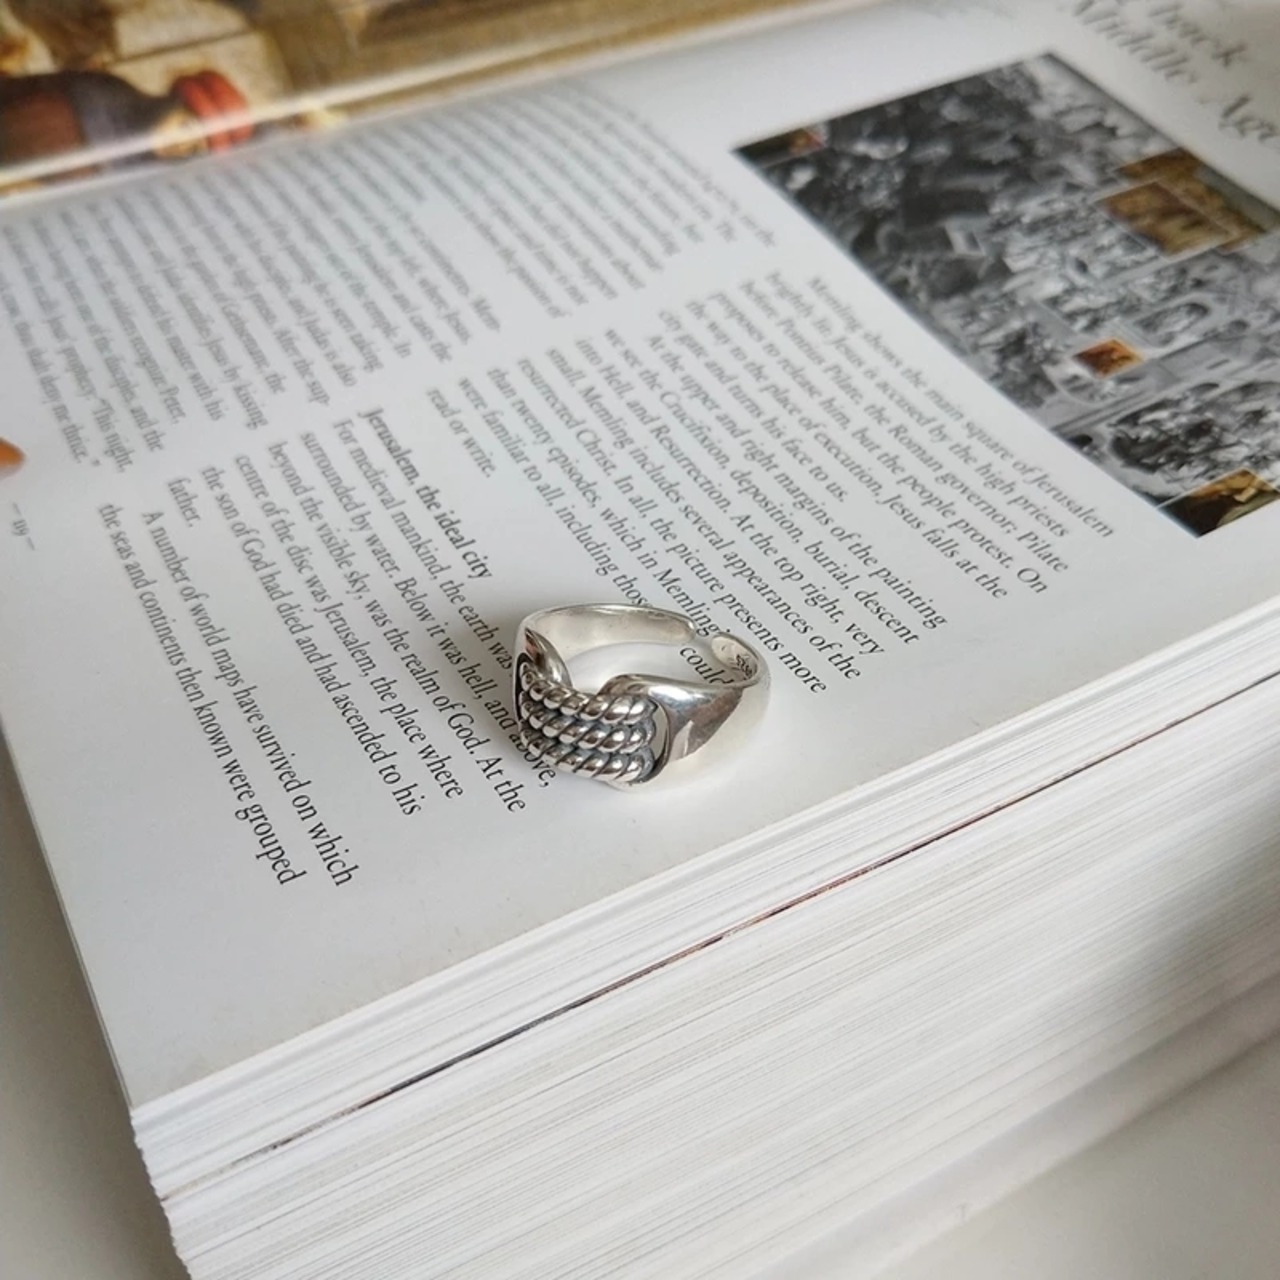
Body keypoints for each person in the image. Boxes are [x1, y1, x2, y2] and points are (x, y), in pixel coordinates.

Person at [0, 65, 252, 172]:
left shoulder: (138, 175)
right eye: (185, 127)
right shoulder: (106, 93)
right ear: (174, 104)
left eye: (194, 148)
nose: (180, 145)